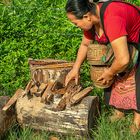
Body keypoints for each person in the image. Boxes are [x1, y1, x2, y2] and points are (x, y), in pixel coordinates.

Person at [64, 0, 140, 133]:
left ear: (86, 16)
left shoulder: (112, 18)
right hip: (124, 48)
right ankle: (119, 112)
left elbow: (123, 60)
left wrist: (110, 72)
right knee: (109, 67)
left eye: (75, 23)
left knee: (137, 82)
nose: (76, 26)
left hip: (137, 44)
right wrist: (76, 68)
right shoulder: (92, 19)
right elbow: (85, 45)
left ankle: (137, 122)